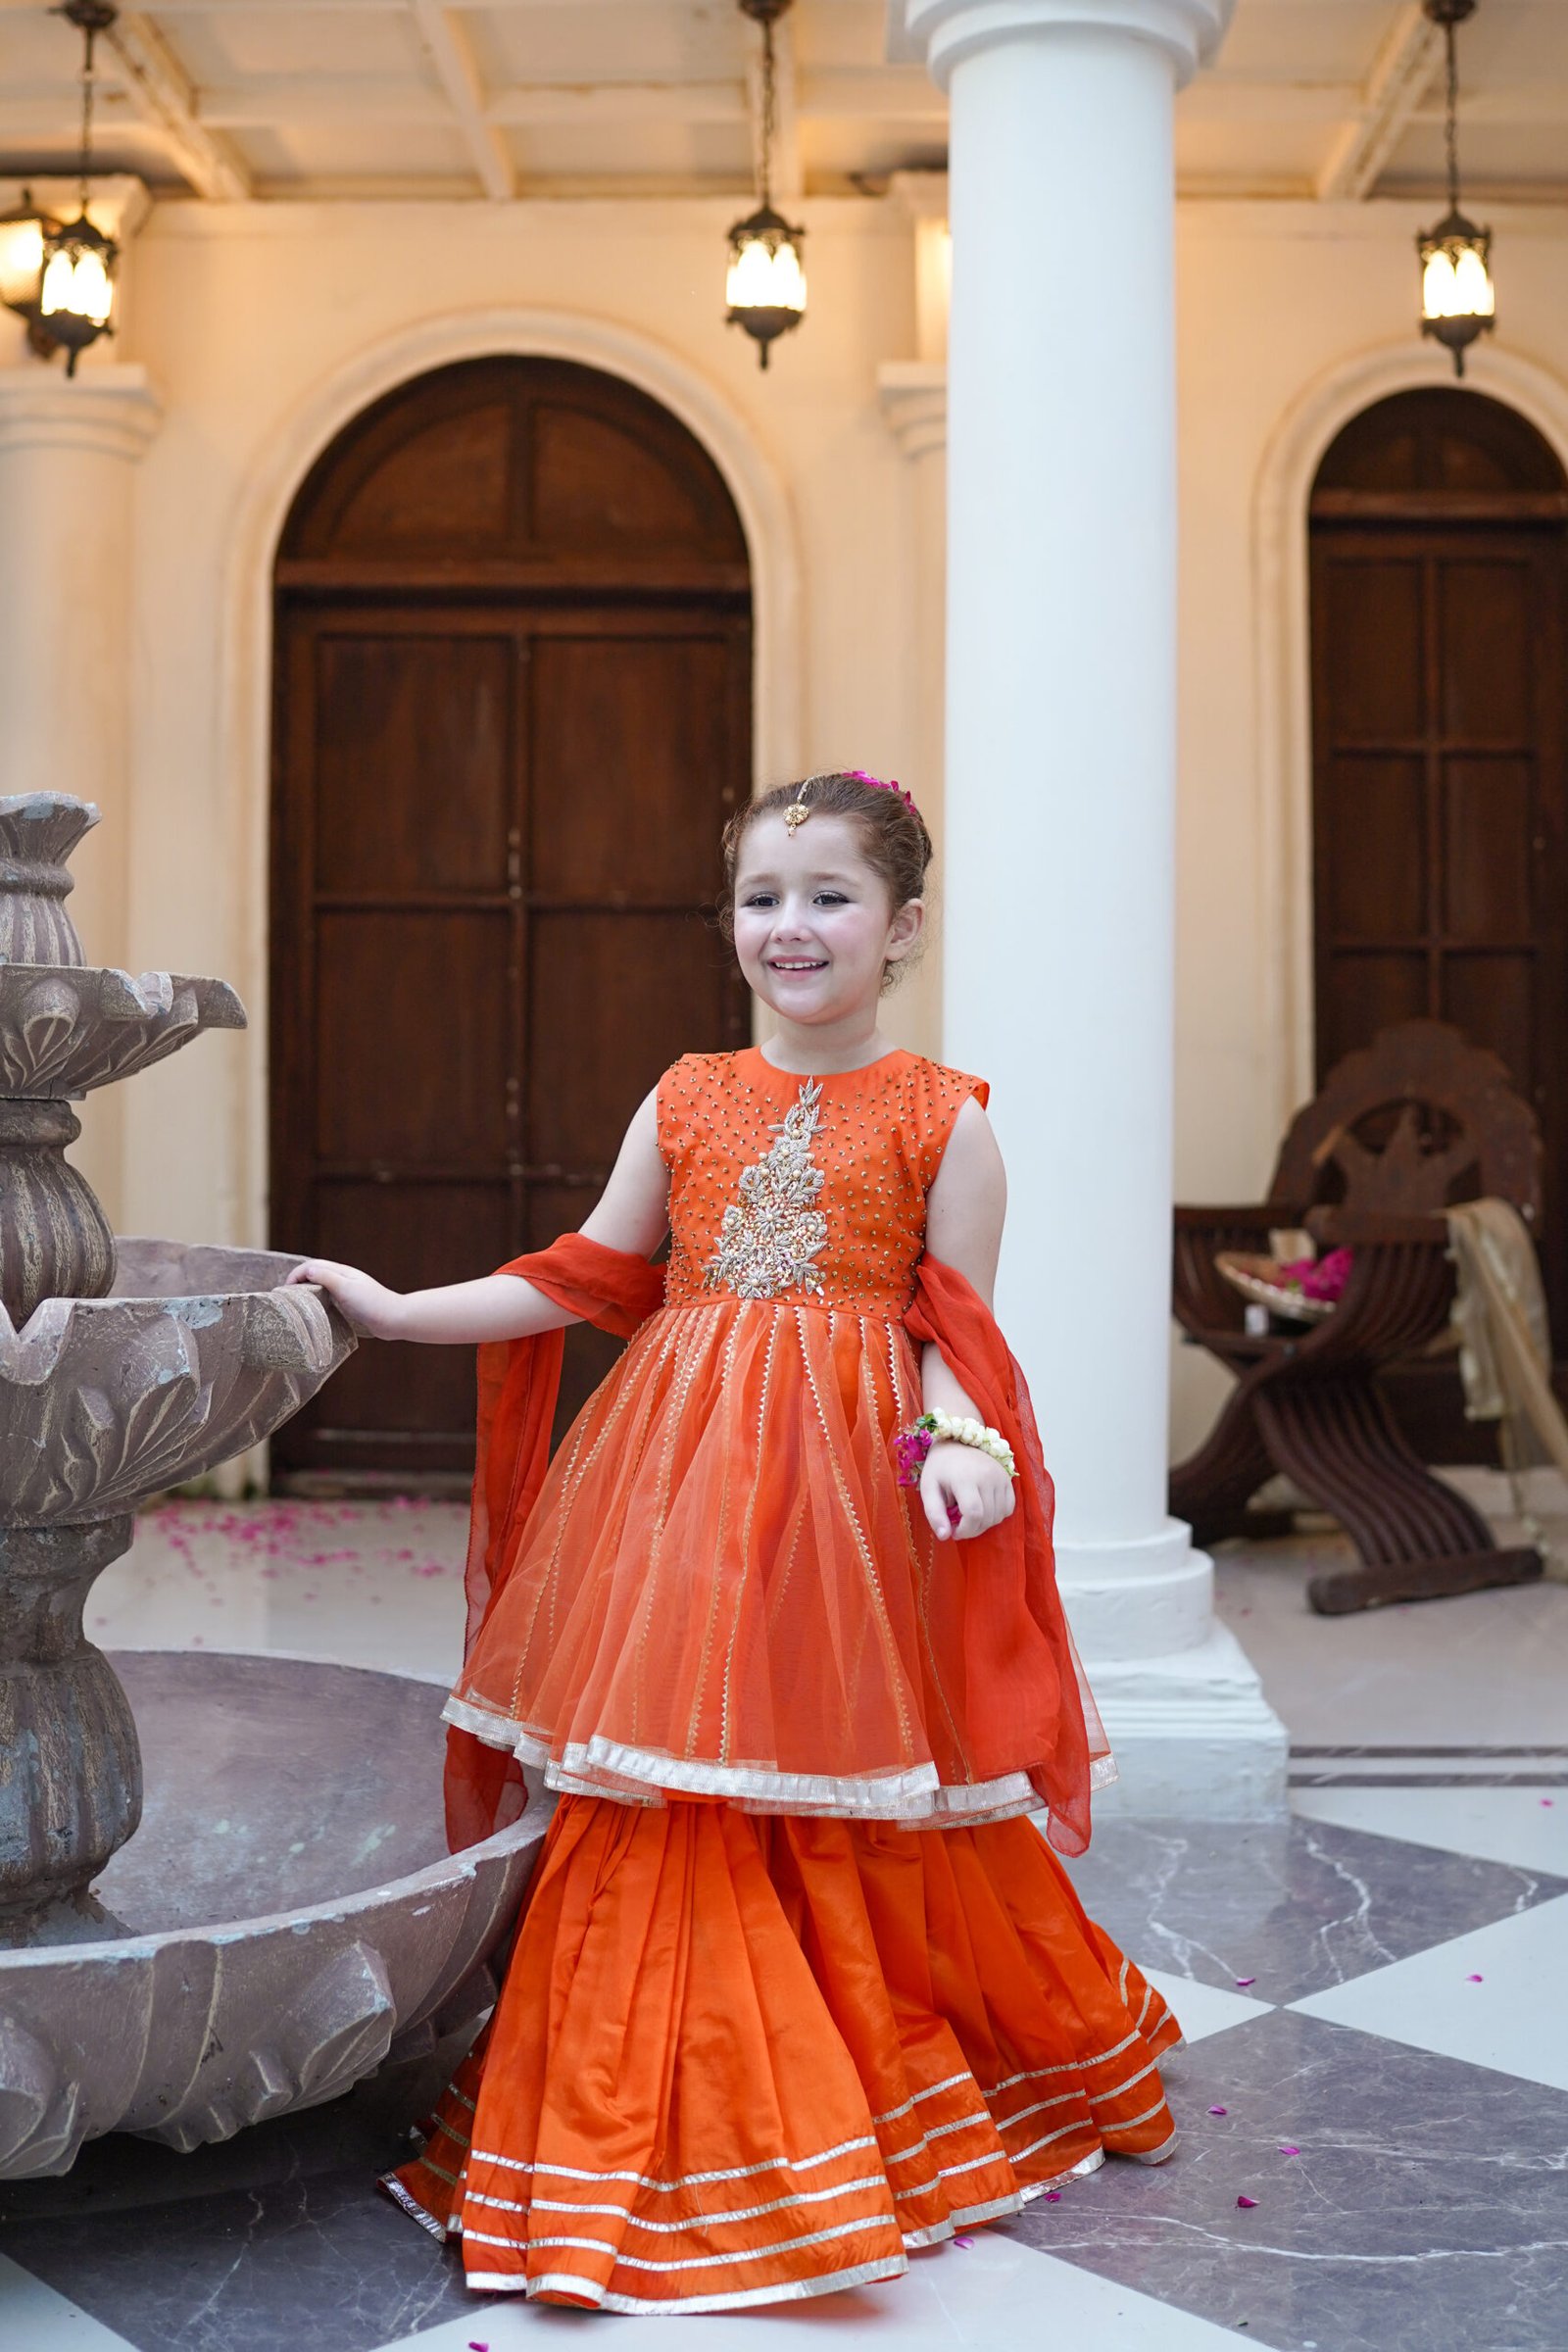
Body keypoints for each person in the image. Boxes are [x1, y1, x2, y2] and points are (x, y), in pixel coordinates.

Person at [289, 768, 1180, 2315]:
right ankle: (629, 2131)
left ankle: (843, 2103)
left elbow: (954, 1336)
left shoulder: (945, 1121)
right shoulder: (685, 1094)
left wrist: (960, 1451)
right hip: (674, 1488)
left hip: (844, 1508)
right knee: (668, 1777)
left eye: (829, 895)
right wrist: (395, 1308)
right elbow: (584, 1276)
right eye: (764, 897)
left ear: (902, 925)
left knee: (820, 1772)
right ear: (731, 924)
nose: (792, 926)